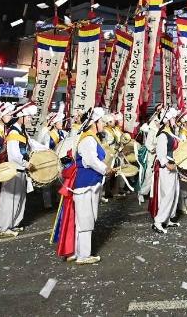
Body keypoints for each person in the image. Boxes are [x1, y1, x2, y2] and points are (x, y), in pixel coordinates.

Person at [53, 107, 115, 264]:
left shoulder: (90, 137)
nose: (103, 124)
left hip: (89, 184)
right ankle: (83, 255)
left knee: (83, 219)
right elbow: (91, 161)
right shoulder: (88, 139)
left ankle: (77, 252)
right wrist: (105, 170)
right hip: (85, 185)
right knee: (86, 220)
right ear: (94, 122)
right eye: (101, 121)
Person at [0, 102, 46, 237]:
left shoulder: (22, 131)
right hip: (14, 171)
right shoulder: (14, 131)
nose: (30, 119)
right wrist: (26, 164)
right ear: (21, 116)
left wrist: (46, 149)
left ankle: (14, 224)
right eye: (28, 117)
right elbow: (14, 154)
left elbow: (31, 144)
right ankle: (3, 227)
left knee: (19, 199)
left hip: (21, 170)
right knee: (9, 199)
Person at [150, 108, 181, 234]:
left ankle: (167, 219)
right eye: (173, 118)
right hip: (166, 168)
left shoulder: (170, 132)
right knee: (167, 195)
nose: (175, 120)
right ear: (167, 120)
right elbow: (161, 153)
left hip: (173, 166)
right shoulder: (163, 134)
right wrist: (168, 165)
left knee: (174, 193)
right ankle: (158, 221)